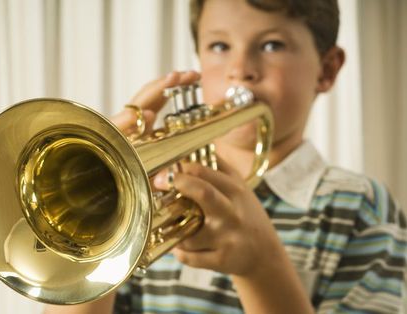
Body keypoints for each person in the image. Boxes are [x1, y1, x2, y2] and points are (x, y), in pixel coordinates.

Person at [44, 0, 407, 313]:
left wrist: (262, 268)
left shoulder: (361, 207)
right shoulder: (150, 196)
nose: (240, 69)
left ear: (326, 70)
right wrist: (96, 215)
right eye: (219, 46)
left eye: (272, 45)